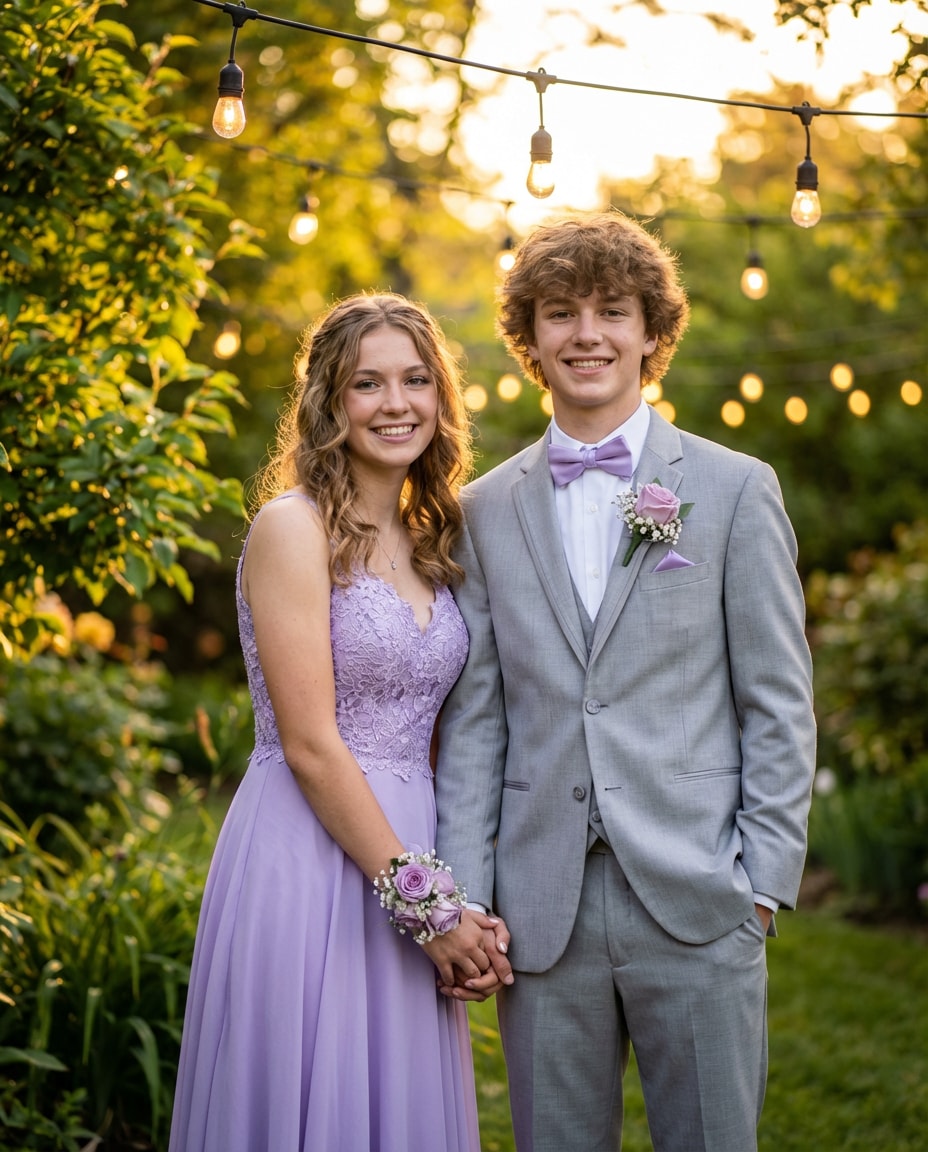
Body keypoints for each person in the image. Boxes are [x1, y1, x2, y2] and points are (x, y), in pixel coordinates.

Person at [435, 212, 817, 1152]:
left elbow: (778, 700)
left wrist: (761, 885)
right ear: (530, 339)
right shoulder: (481, 511)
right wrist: (470, 896)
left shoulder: (735, 489)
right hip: (541, 913)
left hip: (701, 899)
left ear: (653, 333)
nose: (588, 335)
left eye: (613, 311)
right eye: (561, 313)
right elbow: (478, 722)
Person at [169, 292, 512, 1152]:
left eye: (416, 380)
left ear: (441, 397)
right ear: (330, 400)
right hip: (307, 855)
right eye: (368, 383)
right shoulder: (292, 529)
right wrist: (431, 911)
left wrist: (466, 901)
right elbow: (311, 744)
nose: (396, 403)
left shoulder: (434, 540)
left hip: (411, 847)